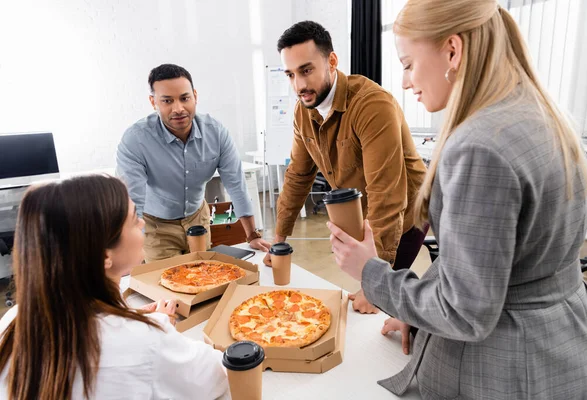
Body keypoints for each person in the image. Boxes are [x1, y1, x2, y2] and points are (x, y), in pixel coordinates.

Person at [328, 1, 587, 398]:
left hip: (506, 369)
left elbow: (464, 311)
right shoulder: (541, 114)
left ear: (452, 51)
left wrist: (369, 272)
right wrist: (420, 317)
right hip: (563, 347)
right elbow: (488, 268)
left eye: (407, 64)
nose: (405, 81)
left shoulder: (479, 146)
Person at [0, 175, 230, 399]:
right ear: (104, 255)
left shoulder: (11, 322)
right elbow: (221, 374)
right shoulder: (146, 340)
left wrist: (133, 318)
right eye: (133, 219)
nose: (142, 223)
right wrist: (156, 327)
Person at [266, 21, 427, 314]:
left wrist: (374, 286)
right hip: (369, 213)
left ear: (332, 61)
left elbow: (387, 195)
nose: (299, 85)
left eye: (306, 70)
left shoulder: (372, 105)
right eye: (291, 74)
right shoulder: (303, 111)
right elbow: (298, 176)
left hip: (407, 212)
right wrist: (278, 238)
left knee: (382, 306)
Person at [117, 64, 270, 262]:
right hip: (156, 226)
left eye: (184, 98)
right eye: (167, 101)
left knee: (204, 277)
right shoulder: (135, 140)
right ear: (153, 102)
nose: (178, 108)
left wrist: (252, 235)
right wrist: (130, 251)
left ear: (195, 96)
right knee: (167, 283)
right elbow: (132, 200)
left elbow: (236, 185)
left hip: (198, 218)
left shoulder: (216, 132)